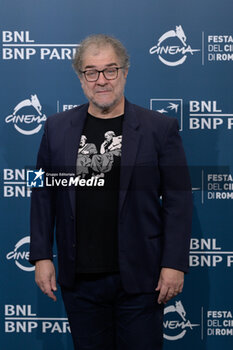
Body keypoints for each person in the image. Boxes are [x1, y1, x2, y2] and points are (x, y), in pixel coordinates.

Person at [30, 34, 192, 350]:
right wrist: (41, 255)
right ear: (81, 78)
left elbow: (179, 199)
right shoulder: (56, 128)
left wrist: (174, 263)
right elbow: (41, 190)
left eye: (110, 70)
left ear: (125, 72)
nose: (101, 80)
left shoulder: (159, 128)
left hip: (142, 279)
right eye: (91, 71)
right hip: (80, 279)